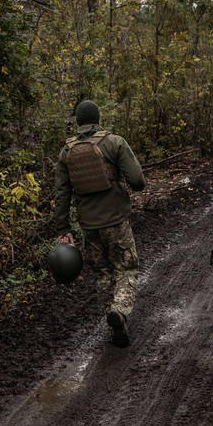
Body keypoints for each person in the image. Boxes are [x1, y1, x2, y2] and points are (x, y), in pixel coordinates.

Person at [55, 100, 145, 348]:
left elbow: (61, 194)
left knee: (103, 273)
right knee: (127, 269)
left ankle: (112, 322)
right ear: (98, 120)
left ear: (77, 123)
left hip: (88, 226)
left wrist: (63, 229)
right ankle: (120, 310)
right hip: (116, 220)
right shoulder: (114, 142)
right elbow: (137, 179)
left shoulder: (66, 152)